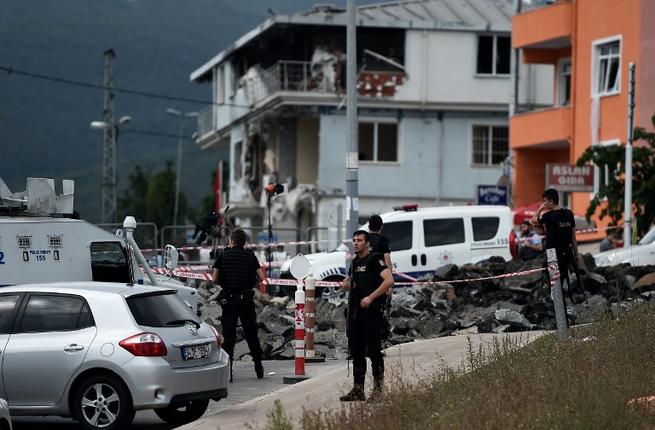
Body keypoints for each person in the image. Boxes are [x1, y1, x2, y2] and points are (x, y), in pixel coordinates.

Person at [339, 230, 394, 402]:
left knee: (374, 352)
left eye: (359, 240)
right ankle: (358, 389)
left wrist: (371, 297)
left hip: (371, 313)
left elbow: (389, 280)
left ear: (367, 243)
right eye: (354, 240)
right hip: (356, 314)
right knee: (356, 351)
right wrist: (346, 284)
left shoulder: (375, 259)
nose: (355, 243)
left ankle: (378, 391)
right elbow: (347, 284)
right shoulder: (355, 262)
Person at [212, 229, 265, 382]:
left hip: (229, 300)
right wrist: (249, 281)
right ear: (244, 242)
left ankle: (229, 373)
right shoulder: (250, 255)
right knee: (251, 334)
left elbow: (214, 279)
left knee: (229, 337)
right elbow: (261, 277)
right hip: (246, 299)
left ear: (232, 241)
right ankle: (258, 367)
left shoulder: (223, 255)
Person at [531, 188, 580, 299]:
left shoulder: (549, 216)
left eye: (545, 201)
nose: (544, 203)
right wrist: (576, 254)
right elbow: (573, 237)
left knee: (553, 283)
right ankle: (560, 302)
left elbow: (533, 220)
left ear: (551, 201)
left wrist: (540, 208)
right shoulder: (569, 214)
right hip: (567, 254)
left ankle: (556, 305)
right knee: (561, 279)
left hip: (553, 255)